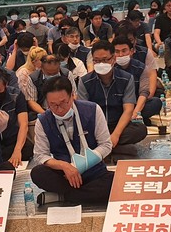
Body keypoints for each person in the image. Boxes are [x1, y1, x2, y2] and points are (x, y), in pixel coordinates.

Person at [31, 76, 113, 206]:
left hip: (94, 172)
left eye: (63, 102)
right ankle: (79, 195)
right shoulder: (43, 120)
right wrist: (65, 166)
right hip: (64, 175)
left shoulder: (92, 110)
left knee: (115, 183)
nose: (59, 109)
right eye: (53, 105)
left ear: (72, 96)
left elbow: (106, 145)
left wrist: (83, 165)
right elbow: (41, 155)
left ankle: (63, 196)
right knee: (37, 173)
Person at [77, 40, 146, 151]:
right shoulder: (85, 81)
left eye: (105, 60)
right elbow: (83, 112)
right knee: (76, 133)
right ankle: (116, 149)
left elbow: (128, 110)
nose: (101, 64)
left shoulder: (126, 78)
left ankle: (104, 148)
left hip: (117, 124)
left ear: (113, 59)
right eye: (97, 61)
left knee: (140, 130)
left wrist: (116, 135)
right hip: (95, 127)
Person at [113, 36, 160, 124]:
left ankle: (133, 118)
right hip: (116, 106)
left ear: (131, 51)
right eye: (117, 52)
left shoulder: (141, 68)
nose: (121, 55)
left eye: (124, 51)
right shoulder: (111, 68)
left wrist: (135, 112)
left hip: (136, 103)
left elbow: (144, 92)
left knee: (155, 102)